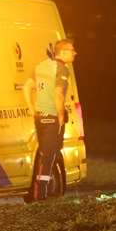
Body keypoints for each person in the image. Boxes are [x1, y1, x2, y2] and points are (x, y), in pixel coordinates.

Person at [23, 39, 76, 200]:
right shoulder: (62, 69)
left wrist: (32, 109)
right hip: (52, 117)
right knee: (50, 156)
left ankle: (40, 193)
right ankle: (40, 195)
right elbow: (58, 94)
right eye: (71, 50)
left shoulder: (41, 65)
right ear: (62, 52)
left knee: (44, 154)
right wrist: (61, 115)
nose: (74, 53)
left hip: (40, 117)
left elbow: (26, 87)